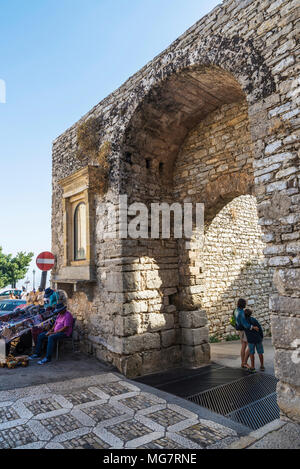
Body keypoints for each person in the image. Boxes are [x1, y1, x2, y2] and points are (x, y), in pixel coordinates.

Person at [233, 298, 259, 369]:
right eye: (245, 303)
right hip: (244, 331)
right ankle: (244, 362)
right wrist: (253, 327)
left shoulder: (235, 310)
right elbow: (245, 324)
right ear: (243, 304)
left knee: (243, 346)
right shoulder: (242, 313)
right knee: (250, 346)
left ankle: (243, 363)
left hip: (239, 330)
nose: (246, 304)